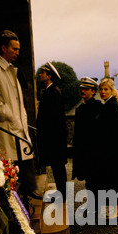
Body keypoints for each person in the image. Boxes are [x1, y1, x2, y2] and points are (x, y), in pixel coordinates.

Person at [0, 30, 40, 199]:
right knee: (11, 164)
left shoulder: (12, 70)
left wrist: (19, 119)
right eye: (14, 49)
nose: (17, 52)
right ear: (3, 48)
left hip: (18, 125)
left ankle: (30, 190)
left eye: (18, 49)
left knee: (24, 158)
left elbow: (19, 102)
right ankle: (16, 198)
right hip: (5, 126)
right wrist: (8, 115)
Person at [89, 77, 118, 220]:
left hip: (113, 151)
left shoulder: (112, 106)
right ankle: (117, 210)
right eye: (101, 89)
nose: (102, 92)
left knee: (117, 181)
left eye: (106, 89)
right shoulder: (108, 104)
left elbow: (113, 131)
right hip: (110, 151)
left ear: (112, 90)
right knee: (113, 180)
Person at [36, 62, 68, 201]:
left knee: (58, 167)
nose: (40, 74)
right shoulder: (49, 91)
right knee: (56, 167)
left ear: (49, 76)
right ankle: (61, 193)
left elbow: (55, 118)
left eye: (43, 73)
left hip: (55, 137)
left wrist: (49, 137)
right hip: (53, 137)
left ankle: (63, 195)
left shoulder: (54, 92)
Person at [72, 76, 102, 188]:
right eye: (82, 88)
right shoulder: (80, 108)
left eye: (86, 89)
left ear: (93, 91)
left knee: (95, 182)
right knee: (88, 182)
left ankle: (95, 205)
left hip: (94, 153)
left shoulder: (99, 107)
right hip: (83, 153)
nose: (83, 91)